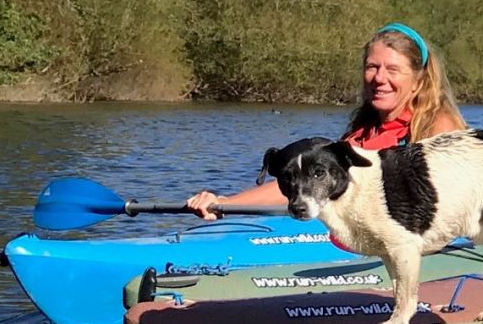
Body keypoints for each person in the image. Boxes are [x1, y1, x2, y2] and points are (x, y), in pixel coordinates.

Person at [185, 22, 466, 219]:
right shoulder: (362, 132)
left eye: (393, 69)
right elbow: (305, 184)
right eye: (372, 67)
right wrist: (225, 203)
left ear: (418, 81)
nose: (379, 78)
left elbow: (446, 206)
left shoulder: (439, 127)